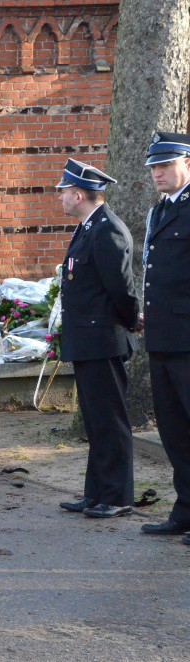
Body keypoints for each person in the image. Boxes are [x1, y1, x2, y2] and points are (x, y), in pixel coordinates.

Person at [54, 159, 140, 518]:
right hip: (87, 341)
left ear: (78, 194)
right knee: (95, 420)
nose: (58, 197)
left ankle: (117, 496)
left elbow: (121, 289)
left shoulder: (108, 230)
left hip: (103, 339)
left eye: (62, 191)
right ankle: (96, 493)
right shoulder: (88, 227)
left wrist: (130, 321)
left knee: (110, 421)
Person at [140, 131, 190, 540]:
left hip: (188, 339)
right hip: (162, 337)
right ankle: (185, 510)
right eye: (154, 166)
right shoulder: (159, 211)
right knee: (173, 430)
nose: (157, 172)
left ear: (187, 163)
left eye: (165, 165)